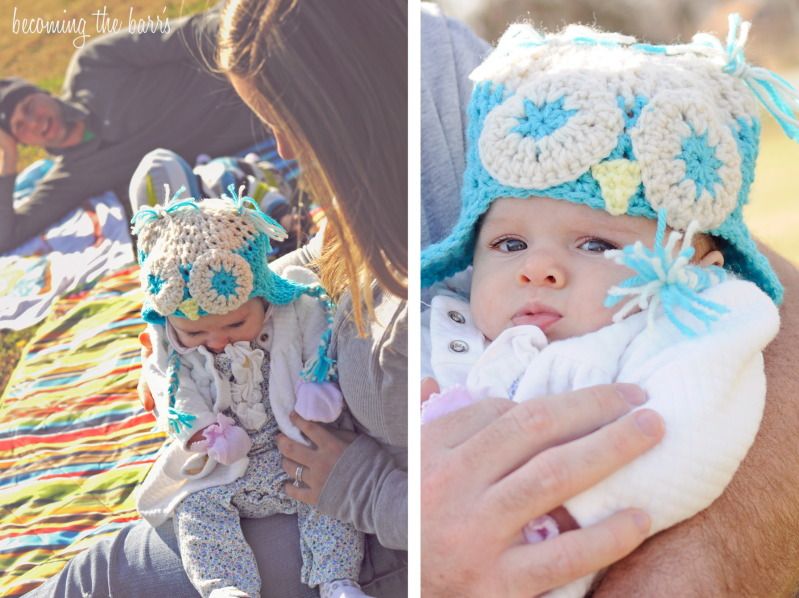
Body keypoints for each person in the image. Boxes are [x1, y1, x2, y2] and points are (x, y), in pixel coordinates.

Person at [22, 0, 407, 596]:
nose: (281, 143)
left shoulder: (97, 63)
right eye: (14, 129)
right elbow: (319, 260)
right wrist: (212, 301)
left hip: (380, 537)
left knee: (93, 577)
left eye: (285, 117)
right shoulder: (373, 197)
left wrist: (366, 488)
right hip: (316, 479)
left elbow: (192, 34)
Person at [420, 4, 799, 596]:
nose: (538, 267)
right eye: (510, 242)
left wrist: (564, 521)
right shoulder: (444, 329)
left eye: (597, 244)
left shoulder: (689, 333)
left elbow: (687, 442)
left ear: (693, 270)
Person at [130, 190, 371, 598]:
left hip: (295, 448)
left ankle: (338, 579)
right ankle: (225, 587)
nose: (217, 341)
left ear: (265, 299)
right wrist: (202, 431)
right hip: (221, 462)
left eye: (235, 324)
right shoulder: (171, 346)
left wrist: (317, 387)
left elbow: (317, 339)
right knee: (195, 512)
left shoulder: (293, 313)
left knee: (330, 497)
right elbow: (173, 391)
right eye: (195, 333)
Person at [0, 7, 263, 254]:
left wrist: (254, 44)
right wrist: (8, 159)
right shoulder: (72, 176)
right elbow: (6, 236)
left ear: (40, 92)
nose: (34, 123)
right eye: (19, 127)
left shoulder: (93, 64)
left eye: (29, 106)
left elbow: (189, 33)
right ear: (20, 141)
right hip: (261, 114)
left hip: (249, 49)